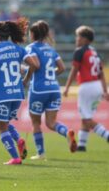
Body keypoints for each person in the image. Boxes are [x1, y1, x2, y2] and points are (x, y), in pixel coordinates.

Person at [0, 18, 39, 165]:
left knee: (2, 128)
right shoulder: (18, 49)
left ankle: (15, 157)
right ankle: (19, 139)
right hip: (17, 94)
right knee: (4, 122)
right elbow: (34, 65)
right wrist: (26, 81)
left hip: (2, 95)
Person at [23, 20, 77, 160]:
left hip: (39, 90)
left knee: (36, 123)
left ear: (33, 34)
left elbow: (35, 65)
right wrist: (51, 75)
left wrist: (26, 79)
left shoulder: (31, 48)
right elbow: (62, 68)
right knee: (51, 123)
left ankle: (41, 153)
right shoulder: (51, 49)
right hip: (54, 88)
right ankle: (66, 133)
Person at [63, 26, 109, 152]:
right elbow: (101, 74)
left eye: (78, 36)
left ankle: (107, 135)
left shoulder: (79, 51)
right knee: (86, 116)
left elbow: (74, 70)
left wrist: (67, 87)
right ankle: (82, 145)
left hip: (87, 86)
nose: (77, 39)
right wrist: (105, 91)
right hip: (98, 86)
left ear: (85, 39)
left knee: (87, 119)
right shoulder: (95, 53)